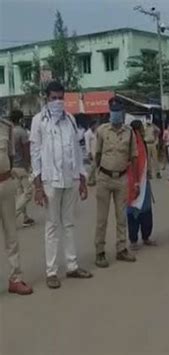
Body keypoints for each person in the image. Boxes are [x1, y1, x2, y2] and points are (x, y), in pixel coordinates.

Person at [30, 81, 93, 289]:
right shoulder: (39, 121)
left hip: (70, 179)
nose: (57, 102)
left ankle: (72, 266)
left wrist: (82, 179)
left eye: (60, 97)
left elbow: (77, 150)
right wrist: (37, 187)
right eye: (53, 98)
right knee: (52, 226)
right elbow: (35, 154)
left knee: (68, 223)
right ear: (46, 98)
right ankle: (51, 271)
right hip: (50, 181)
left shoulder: (71, 120)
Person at [94, 98, 139, 268]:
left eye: (118, 111)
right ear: (109, 112)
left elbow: (133, 157)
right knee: (101, 218)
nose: (115, 114)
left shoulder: (129, 132)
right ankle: (99, 252)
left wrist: (135, 181)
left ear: (123, 113)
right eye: (113, 111)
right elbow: (97, 154)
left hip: (122, 178)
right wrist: (95, 174)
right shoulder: (102, 131)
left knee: (122, 217)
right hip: (104, 178)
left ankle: (121, 248)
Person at [0, 115, 33, 295]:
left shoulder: (6, 127)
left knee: (11, 235)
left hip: (5, 184)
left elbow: (11, 157)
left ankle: (15, 279)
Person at [127, 120, 157, 251]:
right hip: (132, 182)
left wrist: (147, 172)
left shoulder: (143, 143)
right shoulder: (129, 144)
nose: (144, 131)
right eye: (141, 129)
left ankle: (146, 236)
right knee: (133, 211)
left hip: (144, 181)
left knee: (146, 211)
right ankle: (133, 240)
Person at [10, 109, 35, 227]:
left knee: (20, 193)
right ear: (20, 119)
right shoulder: (22, 132)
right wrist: (29, 165)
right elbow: (26, 150)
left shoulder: (9, 132)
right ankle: (13, 214)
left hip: (12, 167)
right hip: (21, 166)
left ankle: (25, 218)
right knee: (28, 192)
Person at [84, 120, 98, 186]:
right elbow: (87, 144)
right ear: (92, 125)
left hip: (96, 152)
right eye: (95, 125)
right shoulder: (87, 133)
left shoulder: (95, 133)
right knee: (92, 167)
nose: (96, 126)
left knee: (95, 167)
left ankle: (93, 180)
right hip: (91, 153)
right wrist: (89, 153)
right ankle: (89, 180)